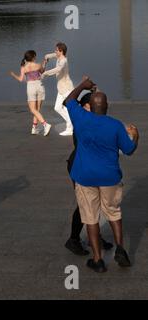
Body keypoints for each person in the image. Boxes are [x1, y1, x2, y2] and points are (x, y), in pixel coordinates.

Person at [63, 77, 139, 273]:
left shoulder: (80, 118)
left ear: (90, 106)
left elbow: (68, 100)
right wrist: (136, 136)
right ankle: (121, 249)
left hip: (85, 176)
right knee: (113, 212)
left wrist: (82, 85)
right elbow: (129, 150)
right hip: (109, 177)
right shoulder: (114, 125)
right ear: (107, 106)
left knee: (90, 218)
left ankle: (97, 260)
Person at [64, 92, 113, 255]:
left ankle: (95, 237)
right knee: (85, 204)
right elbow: (68, 101)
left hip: (91, 166)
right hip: (78, 165)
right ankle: (73, 239)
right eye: (92, 103)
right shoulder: (81, 121)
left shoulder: (91, 120)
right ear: (85, 107)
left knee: (93, 202)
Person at [10, 50, 51, 136]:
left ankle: (45, 124)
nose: (36, 57)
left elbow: (21, 79)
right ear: (33, 57)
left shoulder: (23, 67)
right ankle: (34, 128)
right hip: (40, 85)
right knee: (37, 109)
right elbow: (42, 71)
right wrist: (44, 63)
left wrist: (14, 75)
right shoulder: (37, 65)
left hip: (31, 87)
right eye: (35, 56)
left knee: (33, 109)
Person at [42, 42, 75, 136]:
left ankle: (70, 127)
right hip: (61, 88)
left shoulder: (63, 61)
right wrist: (46, 56)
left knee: (67, 108)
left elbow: (58, 69)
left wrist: (45, 73)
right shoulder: (59, 56)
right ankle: (71, 123)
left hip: (66, 88)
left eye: (56, 50)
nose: (55, 51)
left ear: (61, 51)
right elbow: (52, 55)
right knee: (57, 108)